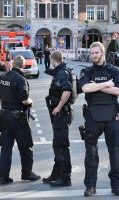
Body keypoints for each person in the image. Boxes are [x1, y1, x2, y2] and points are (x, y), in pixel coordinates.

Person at [79, 42, 119, 196]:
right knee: (91, 154)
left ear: (103, 53)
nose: (93, 56)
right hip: (93, 116)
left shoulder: (113, 70)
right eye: (92, 53)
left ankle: (116, 185)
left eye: (96, 53)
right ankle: (90, 186)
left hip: (111, 116)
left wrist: (97, 86)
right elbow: (85, 88)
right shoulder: (86, 71)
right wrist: (106, 85)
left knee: (115, 152)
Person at [0, 55, 41, 185]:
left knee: (6, 148)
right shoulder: (20, 79)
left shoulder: (3, 77)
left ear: (13, 64)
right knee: (26, 146)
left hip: (5, 117)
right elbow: (24, 100)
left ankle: (3, 177)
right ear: (23, 65)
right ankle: (26, 173)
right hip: (18, 118)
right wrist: (31, 101)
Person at [42, 51, 73, 187]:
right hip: (59, 115)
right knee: (57, 144)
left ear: (52, 59)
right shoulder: (60, 71)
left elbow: (67, 90)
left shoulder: (62, 73)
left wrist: (59, 107)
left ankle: (65, 178)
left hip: (61, 115)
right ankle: (56, 173)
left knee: (61, 145)